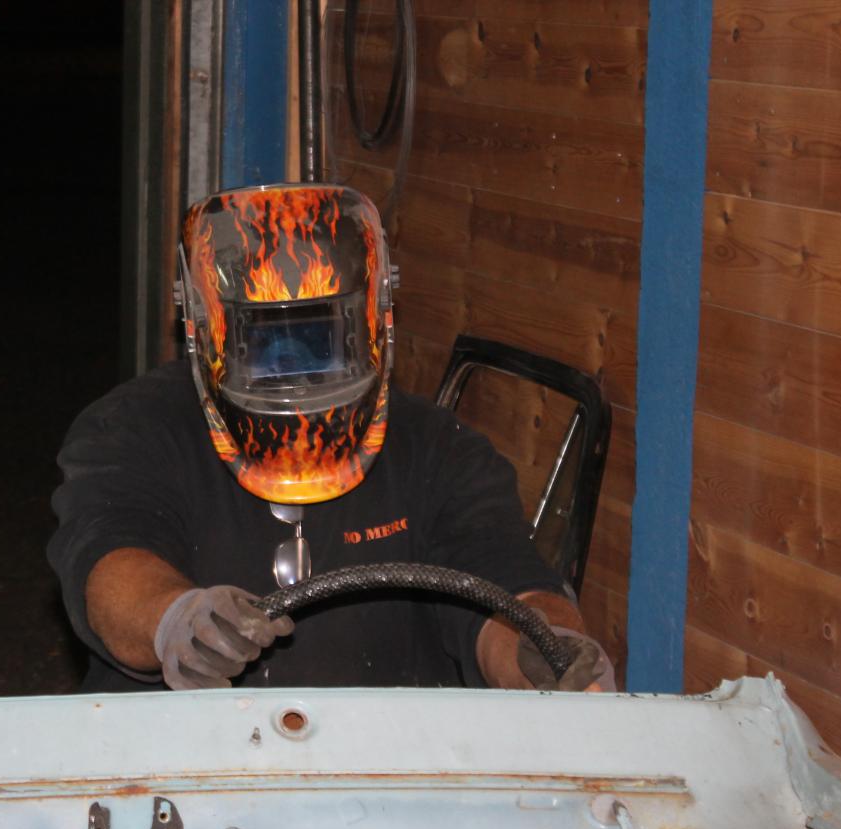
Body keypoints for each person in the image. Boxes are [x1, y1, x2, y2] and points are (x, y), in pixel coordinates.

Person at [48, 183, 613, 693]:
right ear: (205, 328)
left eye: (319, 339)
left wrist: (544, 650)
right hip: (186, 753)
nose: (292, 368)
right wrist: (173, 619)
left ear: (375, 318)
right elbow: (108, 561)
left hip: (381, 752)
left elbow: (506, 581)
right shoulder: (131, 428)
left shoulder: (441, 451)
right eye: (264, 343)